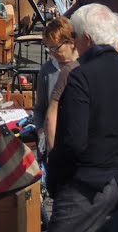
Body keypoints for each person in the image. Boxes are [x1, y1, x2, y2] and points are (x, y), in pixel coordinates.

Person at [48, 4, 118, 231]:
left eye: (75, 37)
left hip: (84, 186)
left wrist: (56, 177)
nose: (74, 43)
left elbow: (73, 140)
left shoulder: (81, 76)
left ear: (87, 39)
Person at [44, 17, 80, 151]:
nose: (53, 54)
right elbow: (41, 107)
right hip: (54, 141)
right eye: (49, 49)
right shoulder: (48, 70)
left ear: (71, 42)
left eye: (56, 48)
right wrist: (42, 130)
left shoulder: (85, 67)